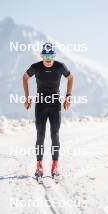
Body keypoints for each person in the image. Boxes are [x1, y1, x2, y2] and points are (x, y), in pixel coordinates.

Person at [23, 43, 73, 179]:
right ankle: (39, 166)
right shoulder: (36, 67)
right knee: (40, 134)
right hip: (40, 105)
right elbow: (25, 77)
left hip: (55, 104)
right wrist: (27, 97)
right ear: (42, 56)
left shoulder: (60, 66)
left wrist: (68, 97)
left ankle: (55, 165)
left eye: (50, 55)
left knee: (55, 134)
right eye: (45, 55)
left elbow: (70, 77)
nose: (48, 58)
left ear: (54, 55)